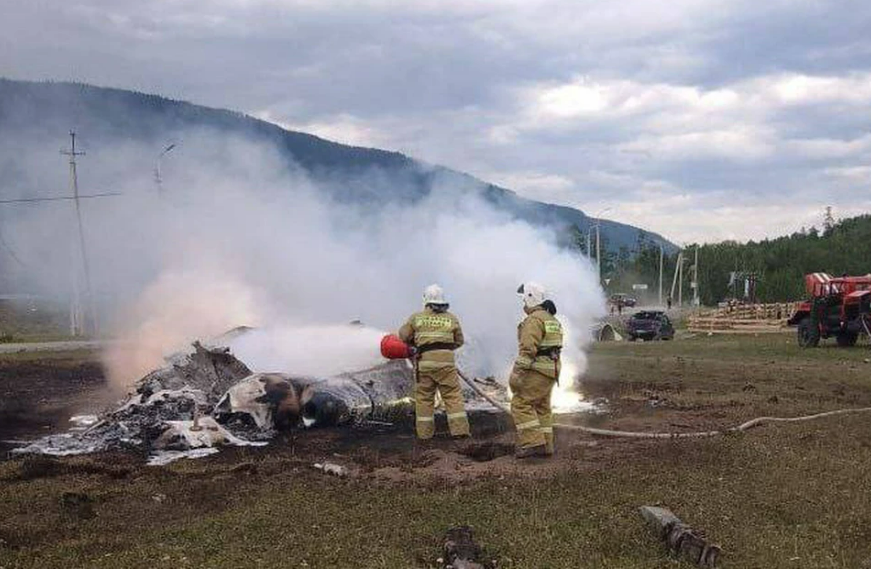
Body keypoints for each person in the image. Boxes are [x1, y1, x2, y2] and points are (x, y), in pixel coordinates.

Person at [398, 284, 470, 440]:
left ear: (426, 301)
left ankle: (425, 436)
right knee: (452, 396)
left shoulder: (416, 317)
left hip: (425, 363)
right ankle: (460, 432)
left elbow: (403, 336)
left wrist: (417, 343)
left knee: (424, 398)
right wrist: (444, 350)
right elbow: (460, 341)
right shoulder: (451, 318)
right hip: (447, 364)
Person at [510, 282, 563, 459]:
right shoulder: (552, 319)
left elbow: (528, 350)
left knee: (520, 404)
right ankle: (546, 446)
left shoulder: (534, 320)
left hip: (538, 370)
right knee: (542, 407)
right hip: (551, 370)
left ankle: (533, 443)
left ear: (531, 298)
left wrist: (517, 374)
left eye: (524, 300)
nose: (523, 305)